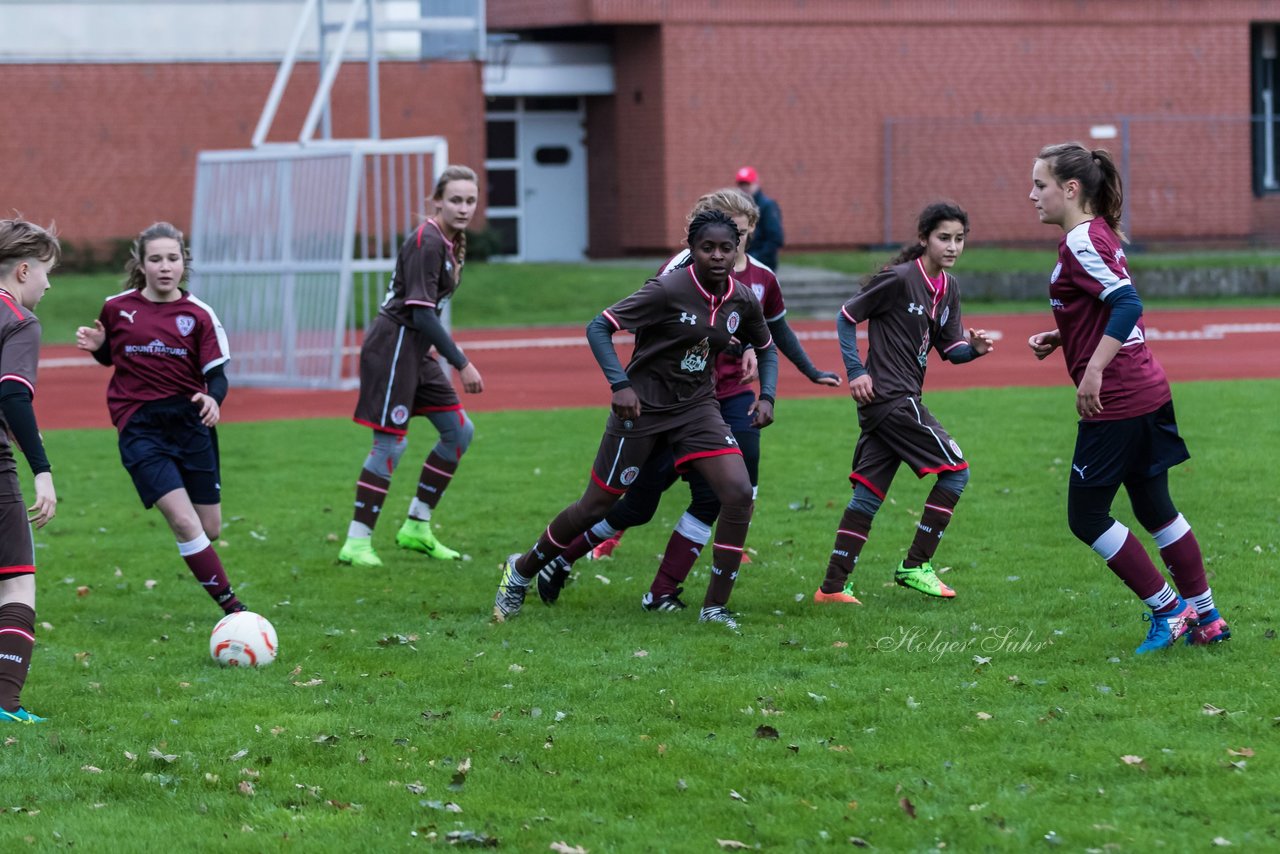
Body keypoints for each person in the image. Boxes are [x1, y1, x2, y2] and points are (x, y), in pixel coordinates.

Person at [536, 188, 840, 612]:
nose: (733, 244)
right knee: (638, 504)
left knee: (727, 492)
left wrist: (799, 372)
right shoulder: (680, 272)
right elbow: (650, 328)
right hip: (665, 401)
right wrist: (633, 382)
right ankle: (561, 556)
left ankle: (670, 593)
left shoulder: (761, 278)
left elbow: (773, 334)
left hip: (724, 399)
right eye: (719, 236)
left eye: (743, 231)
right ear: (699, 238)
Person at [494, 209, 778, 630]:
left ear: (737, 250)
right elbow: (599, 326)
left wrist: (768, 395)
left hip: (698, 409)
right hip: (642, 409)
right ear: (692, 250)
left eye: (725, 248)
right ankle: (521, 569)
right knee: (598, 504)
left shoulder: (742, 298)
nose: (717, 255)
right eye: (707, 248)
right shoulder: (666, 290)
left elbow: (767, 346)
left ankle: (714, 608)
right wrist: (620, 385)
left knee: (737, 492)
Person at [1027, 142, 1228, 654]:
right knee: (1155, 505)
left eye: (1040, 184)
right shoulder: (1098, 235)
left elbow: (1126, 301)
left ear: (1070, 189)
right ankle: (1207, 617)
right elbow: (1103, 305)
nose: (1033, 195)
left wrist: (1092, 368)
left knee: (1086, 516)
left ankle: (1170, 610)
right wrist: (1065, 336)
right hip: (1146, 388)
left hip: (1118, 397)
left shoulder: (1081, 241)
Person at [814, 202, 993, 605]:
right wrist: (856, 370)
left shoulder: (949, 288)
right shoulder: (897, 279)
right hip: (893, 399)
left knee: (867, 496)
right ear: (923, 239)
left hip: (894, 402)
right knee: (956, 472)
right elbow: (846, 317)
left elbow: (951, 349)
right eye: (943, 238)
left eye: (959, 239)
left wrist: (976, 349)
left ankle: (831, 588)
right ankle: (916, 565)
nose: (952, 247)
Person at [75, 222, 246, 618]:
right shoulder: (117, 307)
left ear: (184, 262)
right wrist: (101, 349)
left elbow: (218, 375)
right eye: (156, 259)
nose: (165, 266)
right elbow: (114, 357)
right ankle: (234, 610)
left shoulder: (199, 314)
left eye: (173, 258)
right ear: (141, 263)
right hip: (139, 426)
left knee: (210, 527)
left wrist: (213, 397)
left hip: (190, 422)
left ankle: (212, 577)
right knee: (186, 523)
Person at [337, 165, 484, 568]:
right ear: (437, 201)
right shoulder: (428, 241)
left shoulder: (450, 241)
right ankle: (356, 542)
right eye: (455, 199)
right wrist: (462, 363)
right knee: (390, 444)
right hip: (394, 348)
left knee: (458, 432)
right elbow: (419, 314)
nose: (464, 207)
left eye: (470, 200)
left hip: (416, 351)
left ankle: (416, 527)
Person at [0, 219, 59, 724]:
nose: (48, 284)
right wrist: (42, 470)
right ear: (23, 270)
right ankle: (4, 704)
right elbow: (13, 395)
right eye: (45, 273)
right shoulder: (19, 320)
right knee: (16, 583)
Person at [735, 167, 784, 271]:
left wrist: (755, 257)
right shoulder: (739, 207)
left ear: (756, 183)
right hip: (744, 263)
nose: (744, 188)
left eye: (747, 184)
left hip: (762, 264)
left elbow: (775, 238)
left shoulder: (767, 206)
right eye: (741, 184)